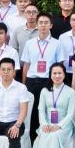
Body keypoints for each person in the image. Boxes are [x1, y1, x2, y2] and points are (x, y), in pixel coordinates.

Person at [30, 63, 75, 148]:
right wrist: (44, 124)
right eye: (54, 73)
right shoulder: (44, 91)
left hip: (64, 126)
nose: (57, 76)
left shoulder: (70, 92)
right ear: (50, 75)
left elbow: (70, 114)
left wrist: (59, 126)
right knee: (44, 135)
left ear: (64, 75)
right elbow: (41, 110)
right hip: (47, 124)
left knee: (53, 136)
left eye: (60, 73)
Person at [21, 13, 61, 141]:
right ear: (37, 25)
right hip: (31, 81)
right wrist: (24, 84)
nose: (43, 25)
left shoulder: (57, 44)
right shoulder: (29, 43)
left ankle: (46, 139)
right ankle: (32, 140)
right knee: (32, 112)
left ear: (51, 25)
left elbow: (59, 66)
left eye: (46, 23)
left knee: (47, 110)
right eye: (41, 23)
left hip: (48, 81)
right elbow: (26, 65)